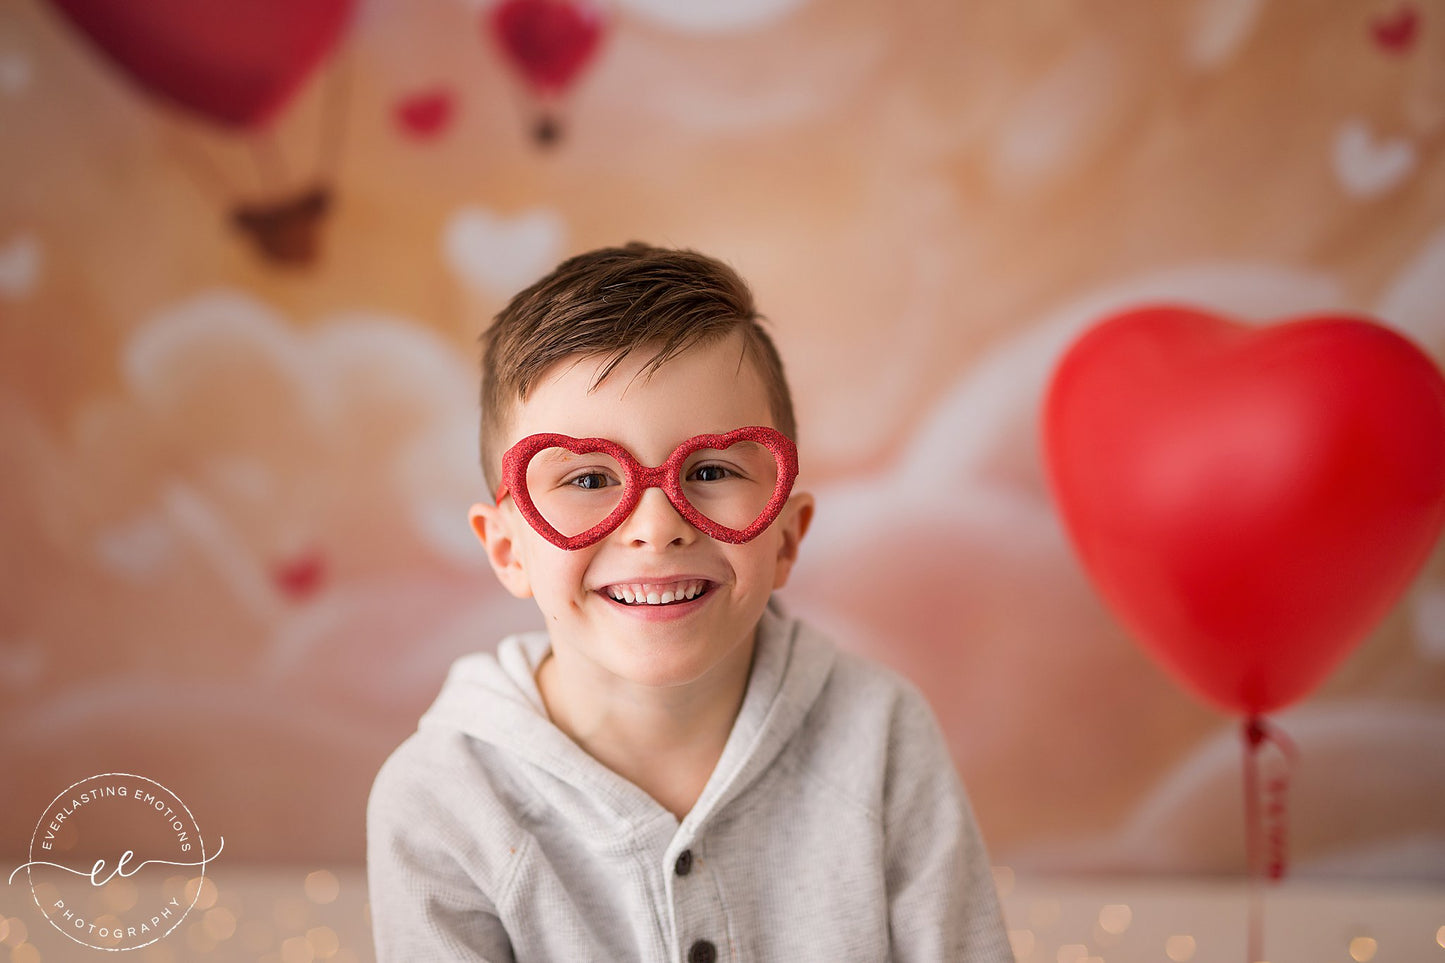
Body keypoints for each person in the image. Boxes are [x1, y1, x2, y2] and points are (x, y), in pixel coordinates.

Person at [366, 243, 1011, 961]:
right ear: (509, 551)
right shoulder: (439, 801)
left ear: (786, 539)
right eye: (585, 480)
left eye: (708, 469)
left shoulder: (879, 737)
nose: (655, 525)